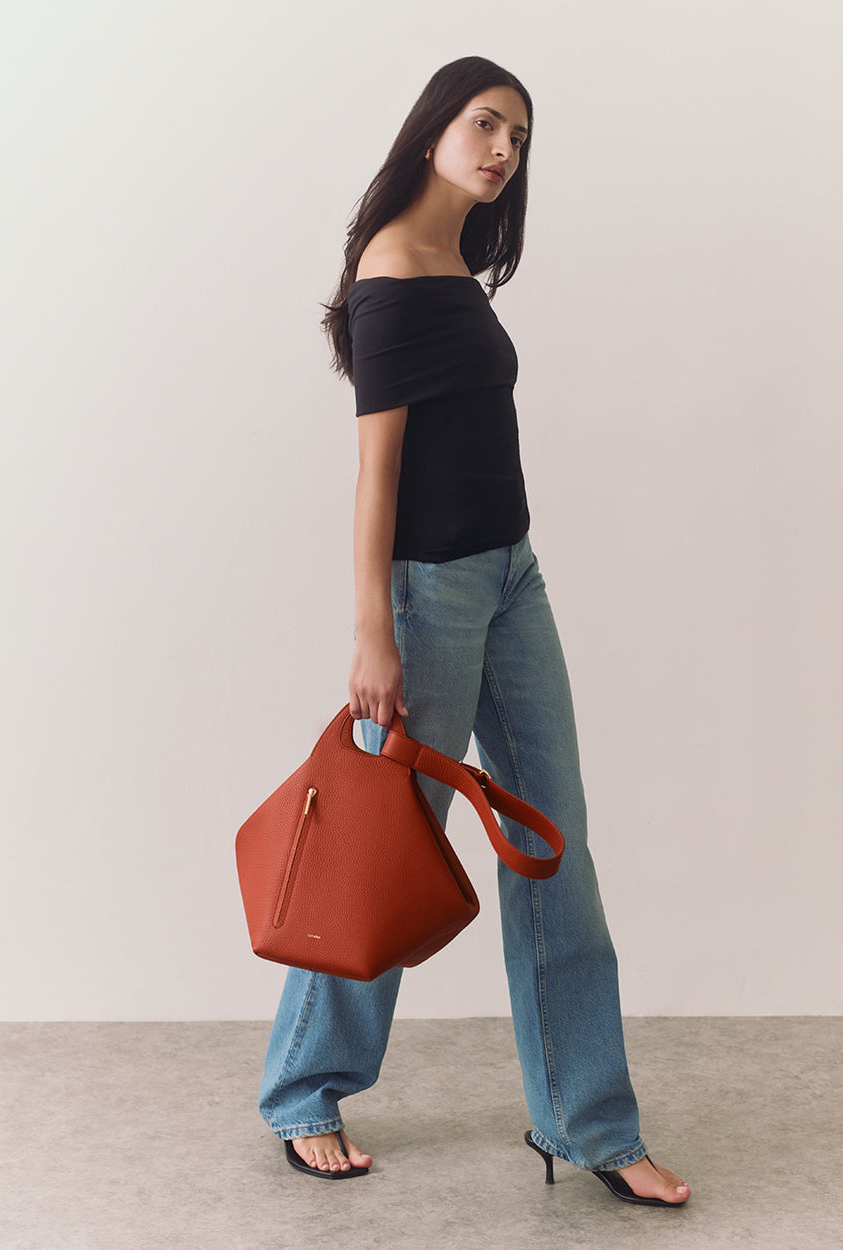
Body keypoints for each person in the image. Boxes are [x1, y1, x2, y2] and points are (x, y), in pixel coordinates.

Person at [258, 55, 691, 1208]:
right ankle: (304, 1087)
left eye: (520, 136)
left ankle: (586, 1120)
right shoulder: (396, 272)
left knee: (552, 841)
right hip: (429, 595)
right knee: (383, 844)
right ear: (434, 127)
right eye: (485, 122)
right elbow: (374, 474)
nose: (503, 148)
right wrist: (373, 631)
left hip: (513, 577)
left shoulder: (455, 263)